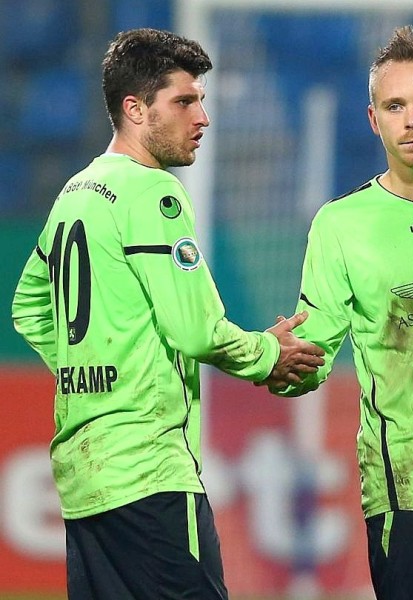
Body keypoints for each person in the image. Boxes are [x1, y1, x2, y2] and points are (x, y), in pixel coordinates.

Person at [11, 28, 324, 599]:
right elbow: (195, 330)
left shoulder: (76, 191)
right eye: (183, 101)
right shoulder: (154, 192)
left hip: (85, 479)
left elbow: (28, 309)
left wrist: (96, 368)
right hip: (148, 471)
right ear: (134, 109)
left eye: (200, 99)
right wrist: (268, 356)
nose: (201, 116)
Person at [267, 25, 413, 600]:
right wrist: (276, 362)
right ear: (373, 119)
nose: (412, 119)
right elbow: (311, 361)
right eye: (396, 105)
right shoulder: (341, 225)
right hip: (409, 490)